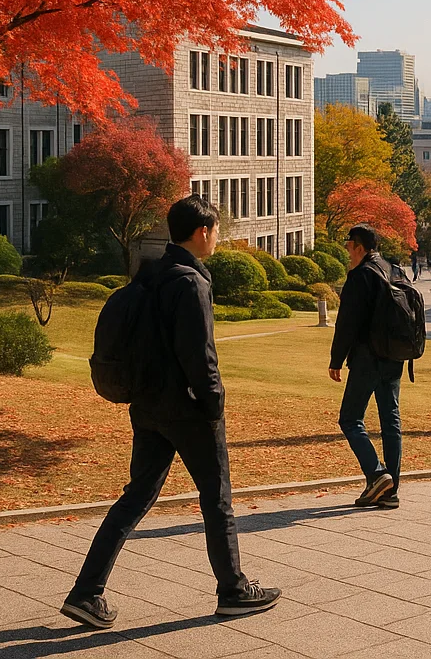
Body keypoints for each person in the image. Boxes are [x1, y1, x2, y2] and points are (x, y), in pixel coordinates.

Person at [62, 197, 281, 628]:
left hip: (147, 406)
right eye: (216, 231)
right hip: (187, 408)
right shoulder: (190, 283)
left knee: (135, 498)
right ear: (202, 232)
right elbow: (200, 355)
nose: (217, 238)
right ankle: (234, 590)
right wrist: (214, 404)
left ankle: (86, 592)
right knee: (217, 500)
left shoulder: (151, 275)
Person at [329, 224, 404, 509]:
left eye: (349, 246)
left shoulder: (361, 275)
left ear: (360, 247)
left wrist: (336, 359)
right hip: (394, 357)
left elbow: (347, 323)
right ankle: (390, 490)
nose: (348, 252)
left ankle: (376, 473)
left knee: (350, 419)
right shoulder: (394, 269)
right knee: (390, 421)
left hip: (366, 359)